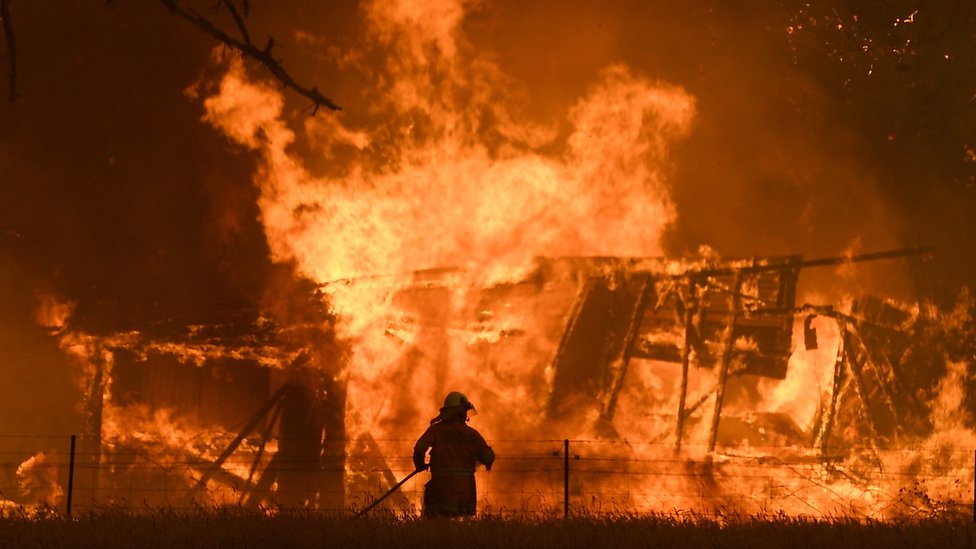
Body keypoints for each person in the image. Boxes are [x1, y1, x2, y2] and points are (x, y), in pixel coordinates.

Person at [412, 391, 495, 518]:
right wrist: (483, 462)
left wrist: (420, 465)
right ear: (461, 412)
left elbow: (419, 449)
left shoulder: (436, 431)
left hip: (441, 491)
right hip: (465, 493)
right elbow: (488, 456)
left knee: (437, 529)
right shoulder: (472, 434)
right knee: (459, 534)